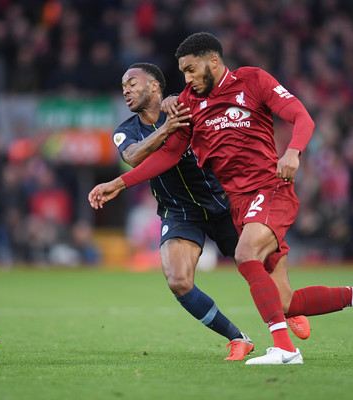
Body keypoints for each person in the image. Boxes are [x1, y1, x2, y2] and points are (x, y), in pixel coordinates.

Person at [89, 33, 353, 365]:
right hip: (231, 203)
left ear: (213, 62)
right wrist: (120, 183)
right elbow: (166, 156)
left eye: (191, 70)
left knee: (245, 254)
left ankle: (283, 348)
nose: (187, 80)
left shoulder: (252, 80)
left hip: (268, 188)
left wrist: (293, 152)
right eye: (183, 73)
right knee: (284, 300)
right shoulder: (188, 104)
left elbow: (302, 117)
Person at [106, 62, 253, 361]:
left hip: (222, 204)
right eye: (123, 86)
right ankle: (237, 338)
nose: (126, 89)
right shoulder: (125, 132)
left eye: (132, 82)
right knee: (178, 280)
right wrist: (166, 130)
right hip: (179, 212)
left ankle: (286, 311)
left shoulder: (183, 108)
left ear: (155, 86)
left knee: (259, 265)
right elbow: (133, 157)